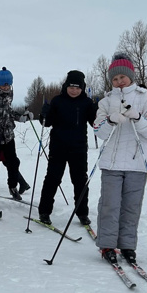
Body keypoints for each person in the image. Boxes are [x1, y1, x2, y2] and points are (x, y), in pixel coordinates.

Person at [92, 52, 147, 265]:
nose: (119, 81)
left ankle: (128, 246)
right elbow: (99, 131)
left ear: (131, 76)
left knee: (131, 206)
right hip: (111, 163)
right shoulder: (106, 101)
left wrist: (137, 118)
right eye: (115, 78)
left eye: (122, 77)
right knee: (110, 205)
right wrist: (112, 120)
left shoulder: (145, 99)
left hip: (137, 163)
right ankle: (107, 245)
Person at [37, 70, 97, 226]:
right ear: (66, 86)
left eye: (77, 88)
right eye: (71, 87)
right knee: (52, 178)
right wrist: (44, 114)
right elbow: (47, 122)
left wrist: (98, 111)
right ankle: (44, 211)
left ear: (82, 88)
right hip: (58, 147)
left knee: (80, 181)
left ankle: (82, 213)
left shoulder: (86, 103)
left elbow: (95, 123)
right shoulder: (58, 101)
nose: (74, 90)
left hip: (78, 148)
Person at [0, 67, 33, 211]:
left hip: (7, 136)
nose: (6, 87)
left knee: (13, 164)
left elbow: (9, 110)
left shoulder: (9, 92)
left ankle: (13, 187)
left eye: (8, 85)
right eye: (3, 85)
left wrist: (21, 117)